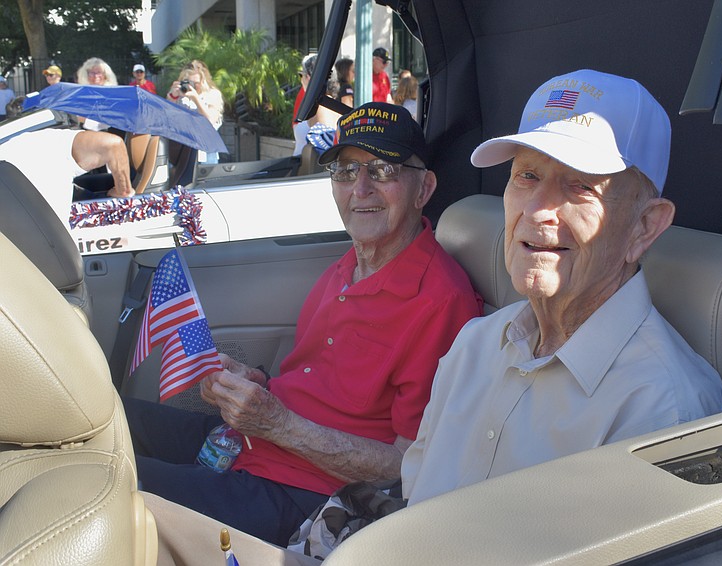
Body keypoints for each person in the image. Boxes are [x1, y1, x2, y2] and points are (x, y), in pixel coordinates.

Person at [122, 100, 483, 546]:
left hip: (298, 493)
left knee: (105, 484)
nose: (361, 188)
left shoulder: (440, 301)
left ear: (423, 188)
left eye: (383, 170)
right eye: (346, 171)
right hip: (247, 443)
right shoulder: (350, 263)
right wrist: (257, 385)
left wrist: (276, 424)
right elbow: (320, 384)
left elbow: (408, 465)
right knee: (106, 419)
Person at [401, 69, 722, 505]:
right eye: (527, 177)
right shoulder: (474, 343)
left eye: (580, 186)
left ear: (644, 227)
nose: (537, 211)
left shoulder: (662, 409)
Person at [0, 128, 133, 219]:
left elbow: (113, 144)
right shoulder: (27, 142)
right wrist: (122, 190)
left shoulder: (44, 143)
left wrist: (123, 190)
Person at [167, 61, 224, 164]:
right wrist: (172, 96)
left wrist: (196, 99)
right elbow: (168, 117)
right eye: (188, 82)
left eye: (196, 83)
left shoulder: (213, 95)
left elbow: (210, 121)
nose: (192, 86)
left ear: (204, 81)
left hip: (206, 151)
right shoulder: (181, 95)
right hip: (182, 148)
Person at [293, 55, 341, 158]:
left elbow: (325, 150)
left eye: (302, 75)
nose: (301, 80)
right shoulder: (329, 104)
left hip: (308, 173)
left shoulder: (321, 108)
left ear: (309, 78)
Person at [76, 58, 118, 131]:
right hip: (84, 132)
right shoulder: (80, 94)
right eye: (92, 73)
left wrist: (86, 120)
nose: (96, 76)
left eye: (99, 72)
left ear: (105, 75)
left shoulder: (112, 94)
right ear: (86, 75)